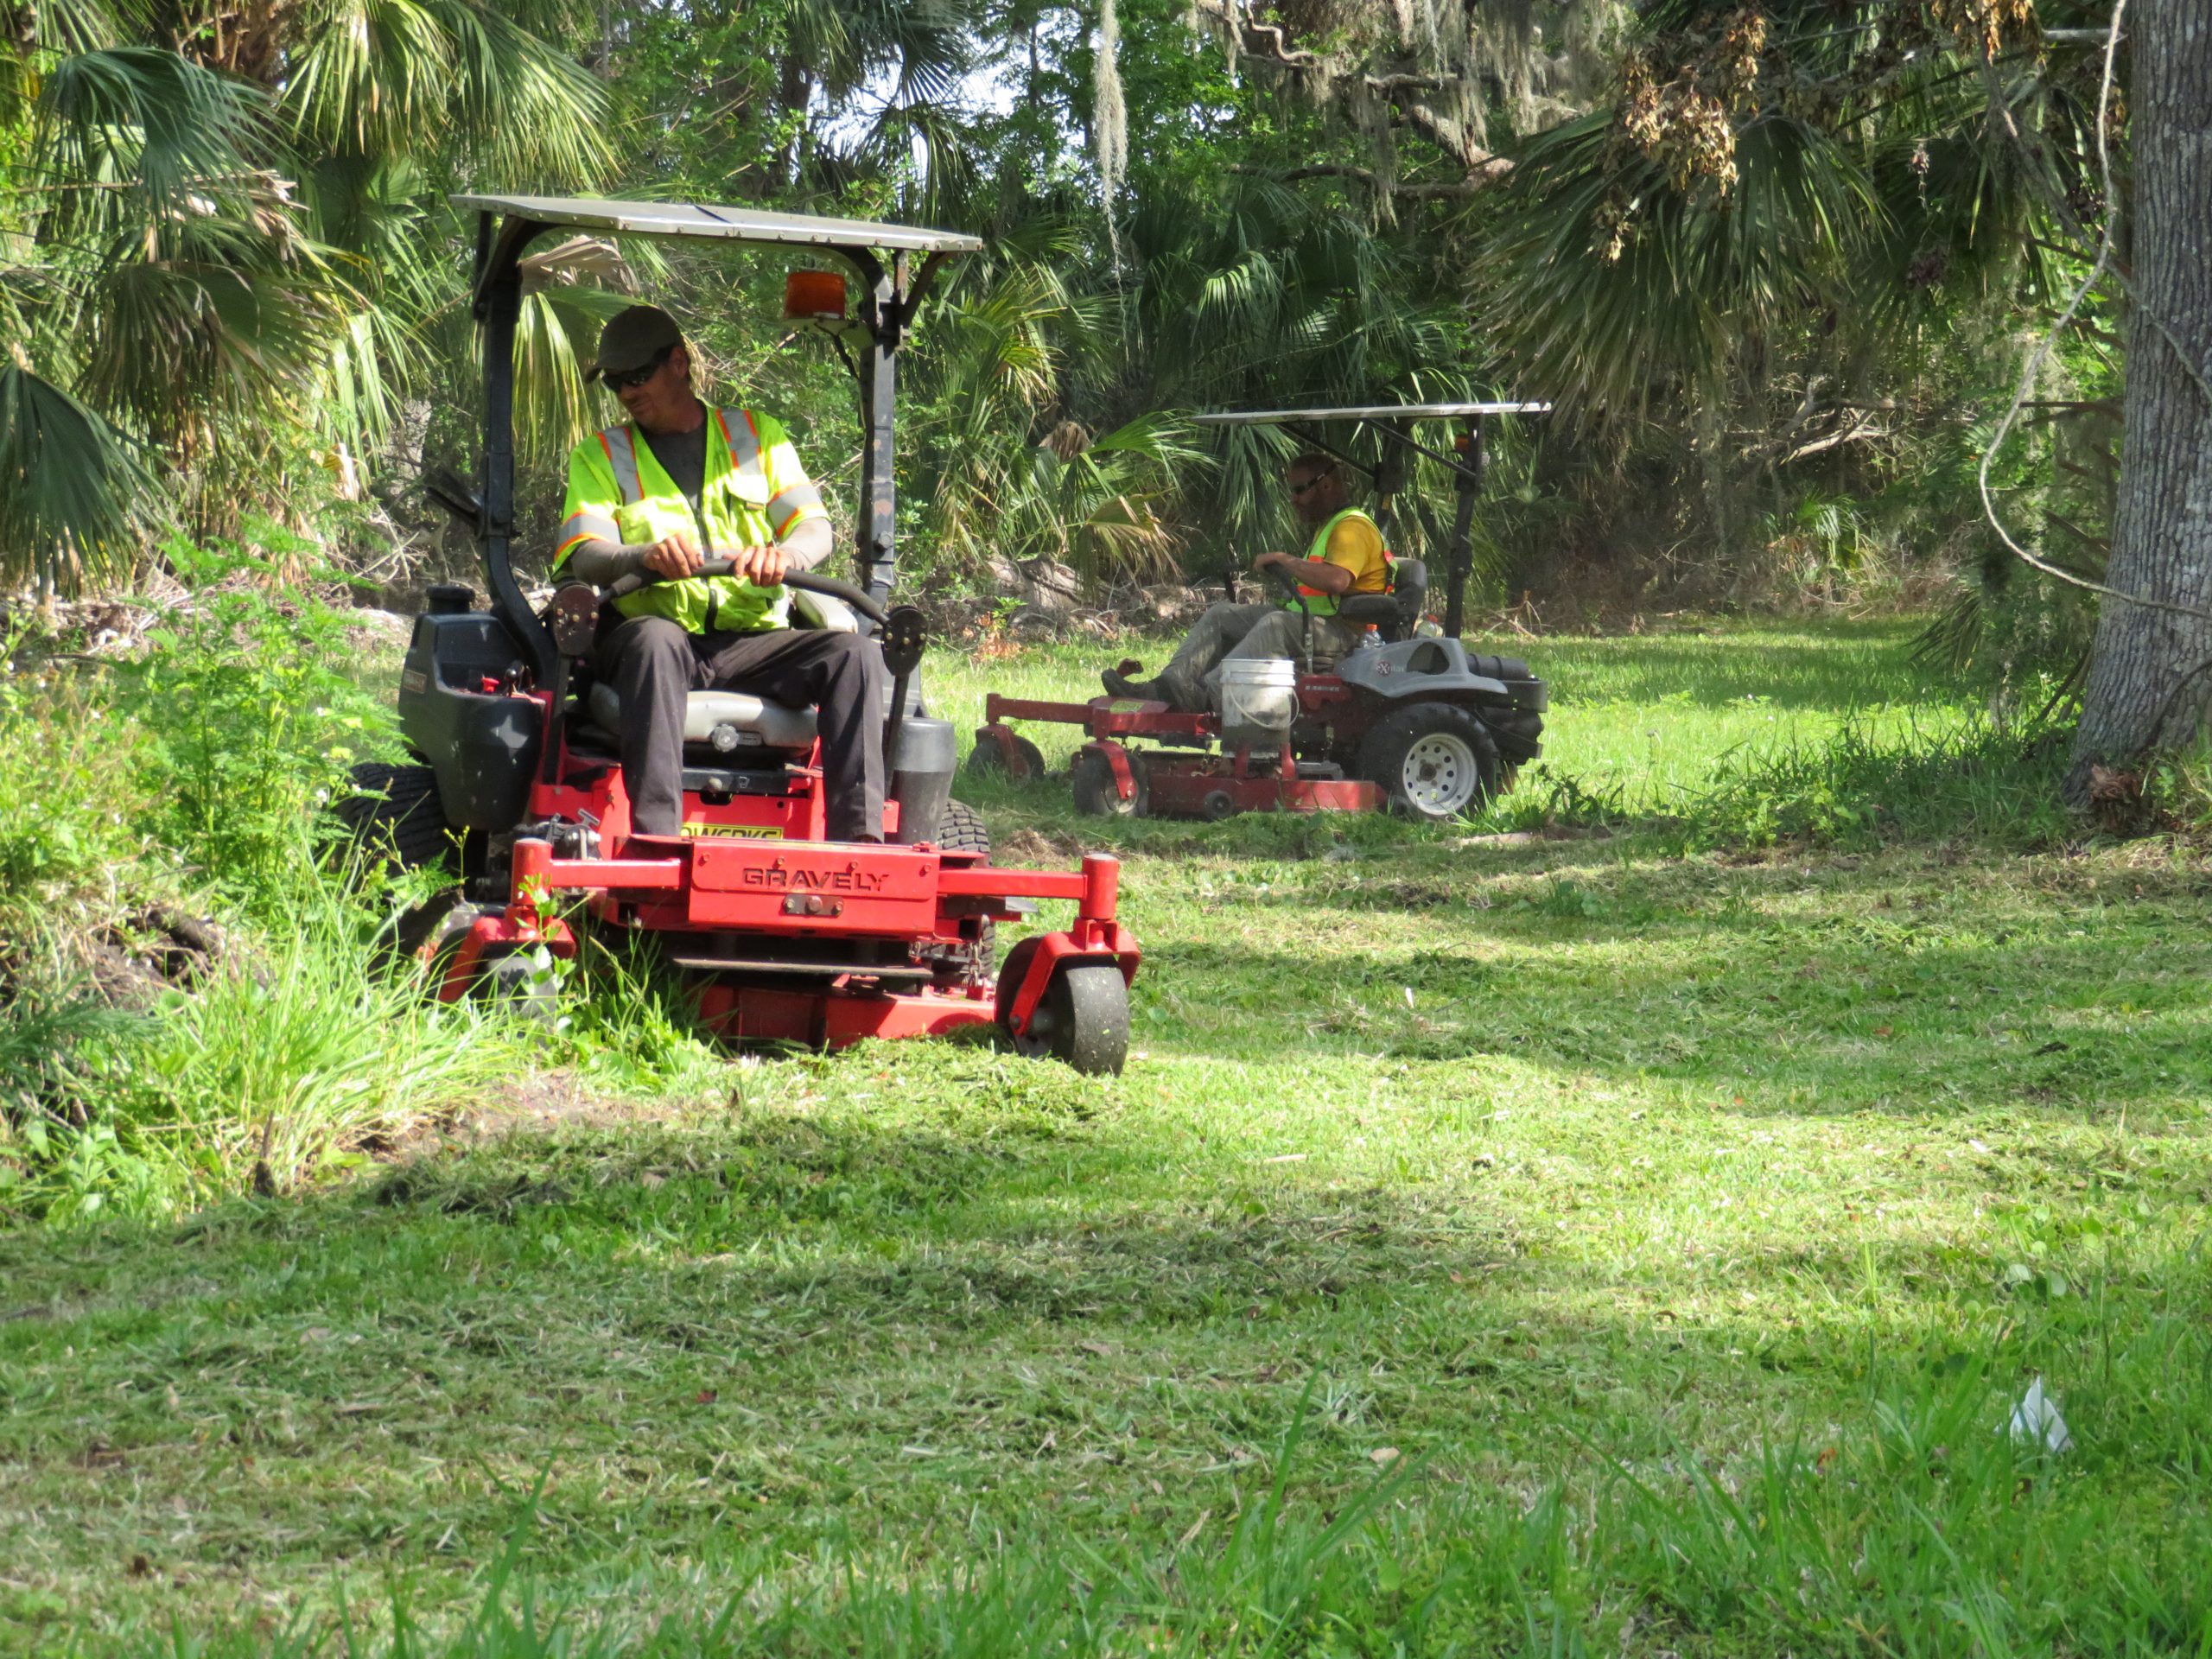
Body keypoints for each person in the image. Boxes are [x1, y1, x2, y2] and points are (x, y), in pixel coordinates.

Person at [555, 304, 886, 842]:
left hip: (752, 642)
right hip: (656, 640)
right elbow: (585, 552)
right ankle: (657, 842)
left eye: (637, 377)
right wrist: (642, 556)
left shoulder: (757, 436)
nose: (627, 393)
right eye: (616, 383)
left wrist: (788, 558)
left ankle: (861, 847)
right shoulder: (601, 455)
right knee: (656, 642)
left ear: (678, 363)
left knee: (856, 655)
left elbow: (814, 529)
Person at [1103, 454, 1392, 712]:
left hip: (1344, 633)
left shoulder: (1353, 527)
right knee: (1222, 614)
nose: (1293, 499)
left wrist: (1284, 560)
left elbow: (1338, 580)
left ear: (1326, 485)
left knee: (1276, 624)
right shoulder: (1331, 526)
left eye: (1299, 490)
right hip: (1313, 623)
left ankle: (1208, 695)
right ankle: (1165, 688)